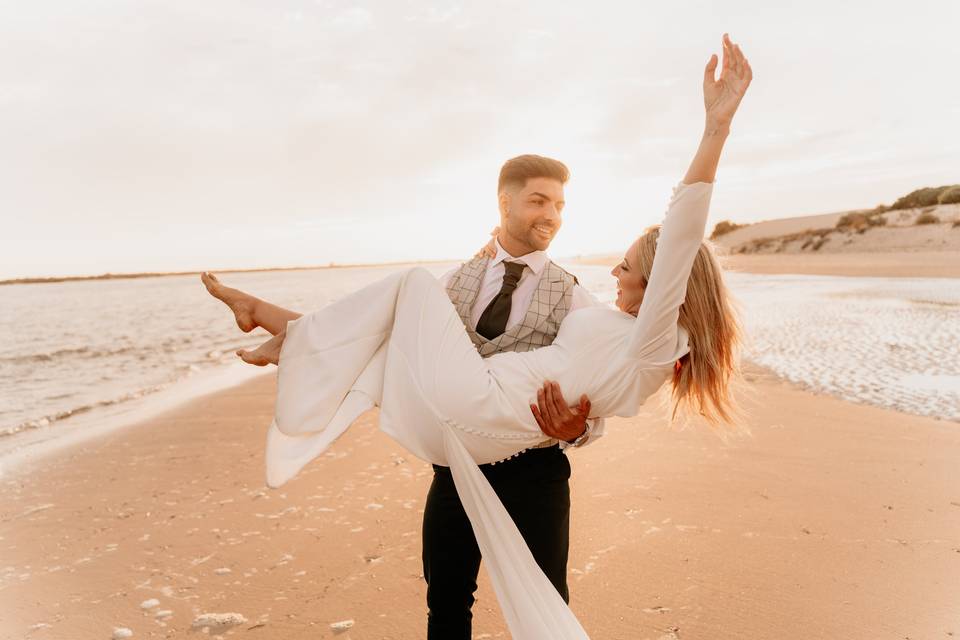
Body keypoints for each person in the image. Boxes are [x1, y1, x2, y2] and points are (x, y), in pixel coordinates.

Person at [201, 33, 751, 639]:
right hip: (460, 445)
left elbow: (629, 341)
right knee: (446, 601)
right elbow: (400, 341)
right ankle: (284, 330)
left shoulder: (587, 302)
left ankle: (282, 329)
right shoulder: (463, 282)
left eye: (560, 204)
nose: (552, 215)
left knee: (548, 599)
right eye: (539, 200)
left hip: (531, 460)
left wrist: (581, 428)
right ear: (504, 202)